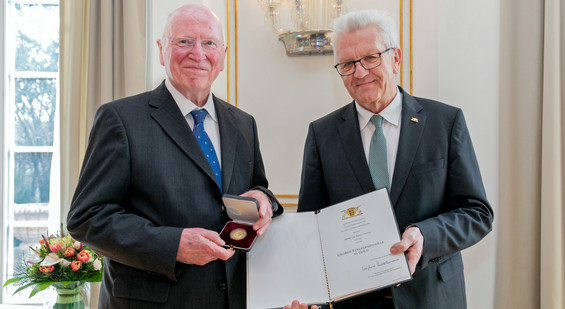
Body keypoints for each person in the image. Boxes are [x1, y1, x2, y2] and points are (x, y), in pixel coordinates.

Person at [67, 4, 282, 309]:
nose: (198, 53)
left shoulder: (243, 123)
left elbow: (259, 189)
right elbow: (86, 219)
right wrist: (173, 245)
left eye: (209, 43)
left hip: (232, 299)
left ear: (222, 56)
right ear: (161, 50)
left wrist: (263, 199)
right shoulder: (120, 119)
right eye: (184, 41)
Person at [287, 9, 493, 309]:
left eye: (371, 57)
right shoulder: (322, 134)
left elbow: (477, 213)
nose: (359, 72)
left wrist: (425, 234)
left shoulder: (445, 123)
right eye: (347, 64)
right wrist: (308, 296)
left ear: (395, 58)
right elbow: (312, 229)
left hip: (432, 299)